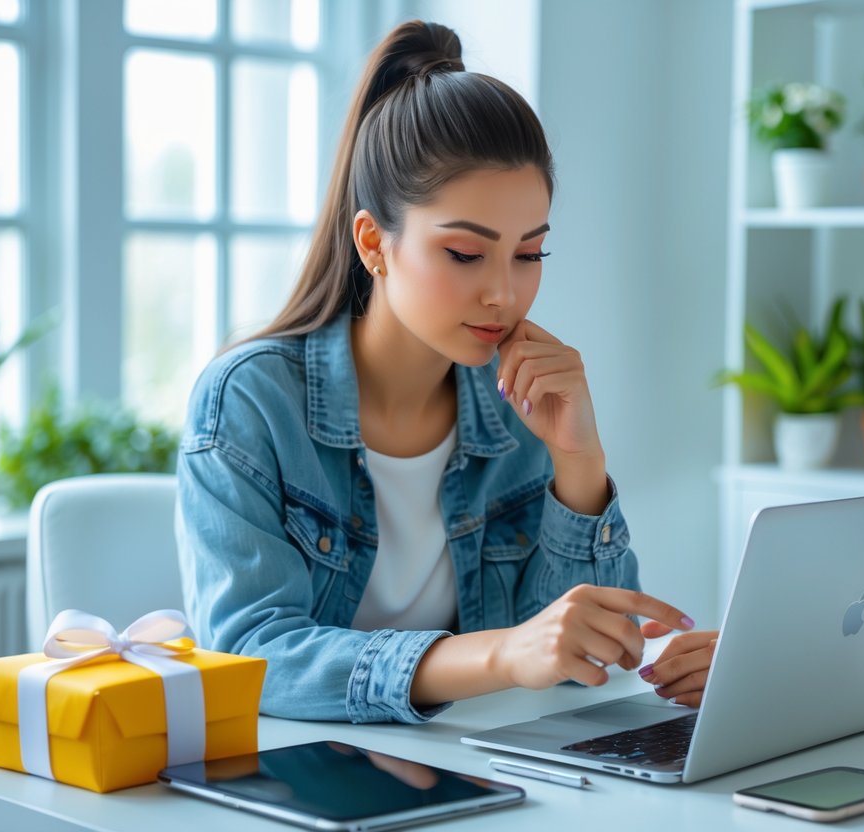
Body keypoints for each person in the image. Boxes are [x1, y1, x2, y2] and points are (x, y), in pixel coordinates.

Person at [176, 20, 717, 725]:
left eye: (529, 255)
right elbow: (251, 657)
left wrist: (578, 460)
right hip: (301, 777)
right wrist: (497, 656)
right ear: (374, 243)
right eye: (465, 253)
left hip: (469, 769)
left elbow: (575, 664)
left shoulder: (518, 402)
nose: (503, 293)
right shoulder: (249, 401)